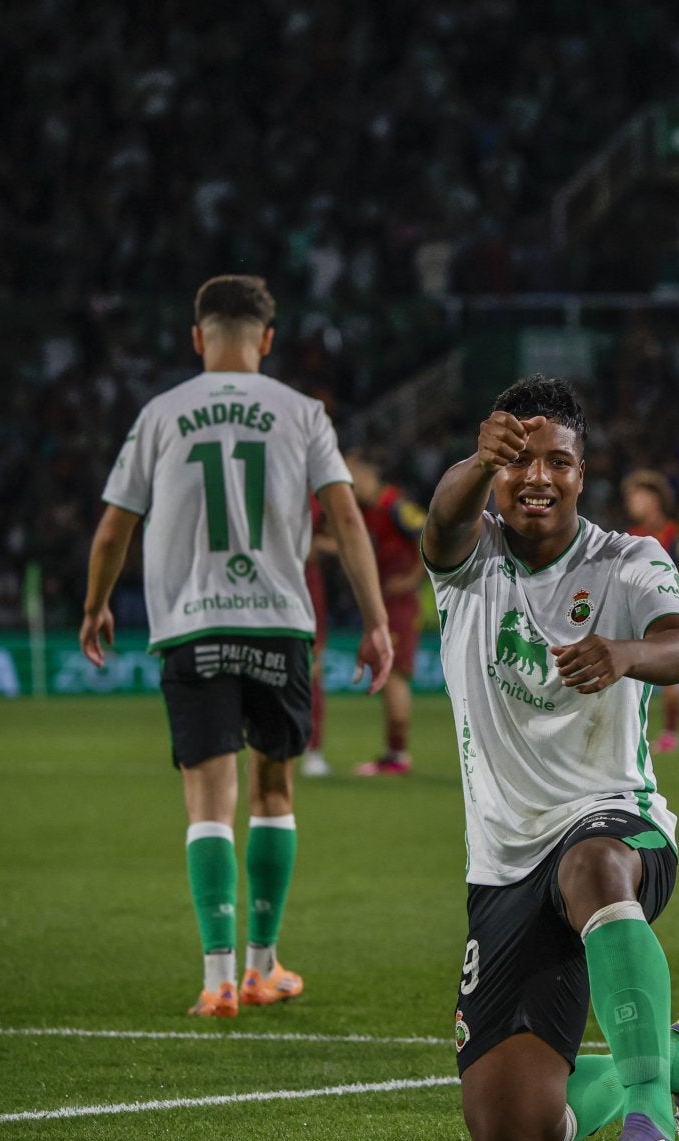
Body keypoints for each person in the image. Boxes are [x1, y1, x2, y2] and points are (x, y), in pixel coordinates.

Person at [422, 374, 679, 1141]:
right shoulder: (469, 560)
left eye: (557, 461)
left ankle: (651, 1128)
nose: (538, 478)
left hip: (616, 822)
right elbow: (442, 520)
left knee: (590, 864)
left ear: (581, 473)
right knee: (512, 1129)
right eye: (519, 460)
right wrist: (473, 464)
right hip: (504, 860)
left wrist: (626, 652)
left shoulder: (627, 560)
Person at [79, 275, 393, 1017]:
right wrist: (376, 620)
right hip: (278, 623)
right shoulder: (303, 412)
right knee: (273, 791)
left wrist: (95, 605)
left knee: (207, 804)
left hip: (193, 626)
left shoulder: (161, 414)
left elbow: (114, 526)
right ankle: (263, 966)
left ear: (198, 337)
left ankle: (217, 978)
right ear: (267, 339)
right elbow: (347, 518)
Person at [299, 455, 426, 778]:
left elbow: (428, 535)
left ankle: (397, 754)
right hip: (382, 601)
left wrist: (411, 579)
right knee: (389, 675)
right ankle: (394, 752)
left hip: (399, 603)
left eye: (354, 473)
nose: (350, 481)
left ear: (372, 473)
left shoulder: (394, 505)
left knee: (394, 676)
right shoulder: (366, 511)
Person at [623, 469, 679, 754]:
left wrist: (668, 600)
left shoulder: (674, 536)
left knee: (670, 679)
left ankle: (670, 734)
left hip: (662, 618)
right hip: (632, 617)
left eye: (636, 496)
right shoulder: (630, 537)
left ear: (654, 500)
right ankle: (629, 734)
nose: (631, 502)